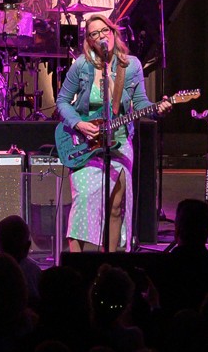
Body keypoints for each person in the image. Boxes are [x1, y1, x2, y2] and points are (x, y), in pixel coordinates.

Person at [57, 16, 160, 252]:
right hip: (86, 141)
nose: (101, 35)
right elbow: (62, 101)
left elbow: (141, 102)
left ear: (113, 32)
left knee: (116, 206)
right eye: (94, 33)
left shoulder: (130, 65)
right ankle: (76, 263)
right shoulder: (81, 66)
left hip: (120, 140)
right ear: (90, 41)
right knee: (83, 198)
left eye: (105, 30)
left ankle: (111, 261)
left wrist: (156, 108)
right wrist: (78, 124)